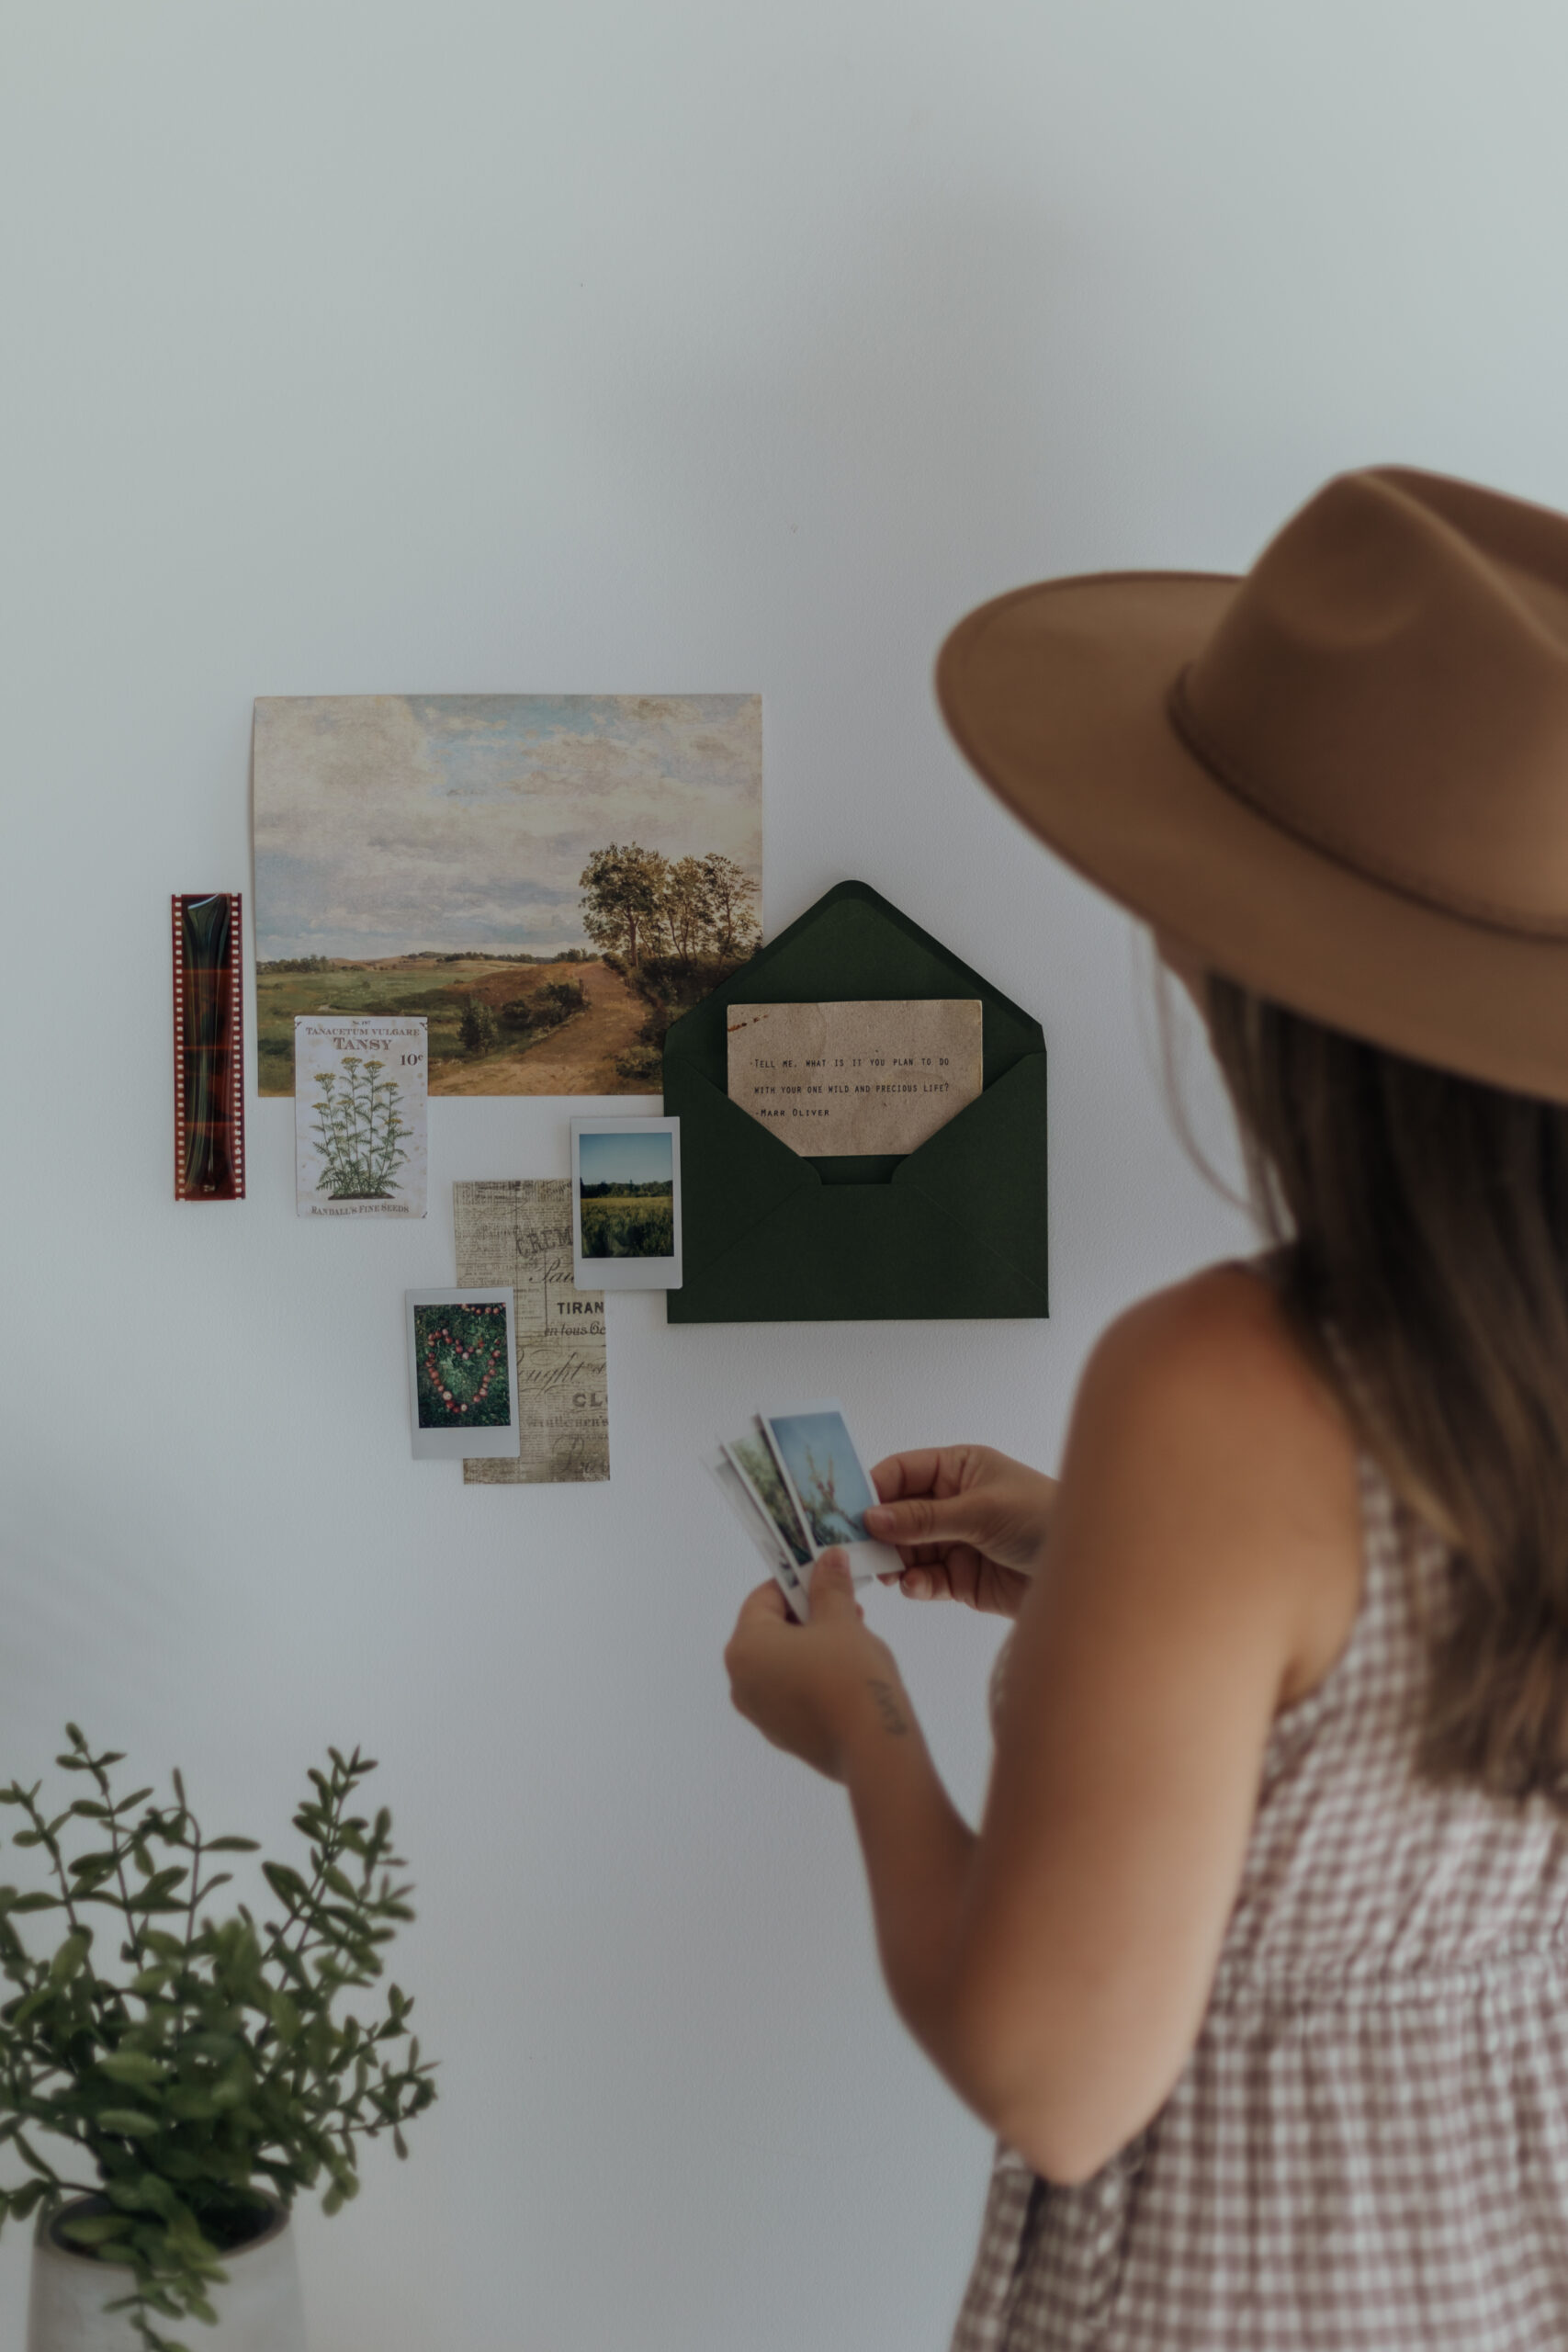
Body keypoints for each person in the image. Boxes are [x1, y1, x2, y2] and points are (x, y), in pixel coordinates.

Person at [724, 465, 1568, 2348]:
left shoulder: (1219, 1387)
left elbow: (1055, 2069)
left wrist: (856, 1718)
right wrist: (1106, 1568)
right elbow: (1410, 1700)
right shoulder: (1490, 1369)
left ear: (1234, 953)